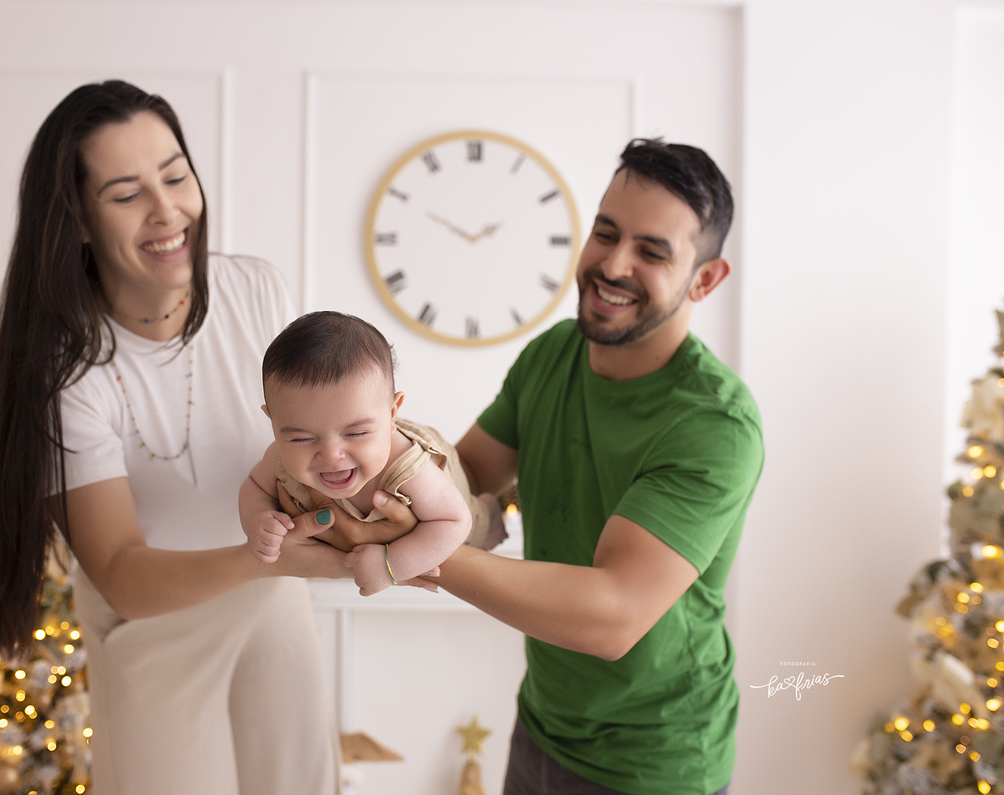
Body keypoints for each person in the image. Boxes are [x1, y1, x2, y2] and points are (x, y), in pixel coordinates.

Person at [324, 138, 763, 795]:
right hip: (543, 727)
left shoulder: (714, 425)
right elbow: (466, 476)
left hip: (658, 764)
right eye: (606, 234)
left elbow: (611, 615)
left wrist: (412, 551)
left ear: (705, 280)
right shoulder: (554, 353)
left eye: (651, 251)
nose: (613, 265)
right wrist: (356, 458)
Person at [0, 80, 346, 795]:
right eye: (126, 192)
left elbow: (316, 444)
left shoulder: (256, 292)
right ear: (77, 219)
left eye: (175, 176)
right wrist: (266, 558)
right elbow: (121, 572)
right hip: (154, 628)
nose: (168, 210)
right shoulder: (65, 371)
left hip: (272, 602)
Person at [242, 311, 487, 596]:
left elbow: (454, 521)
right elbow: (254, 485)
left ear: (392, 414)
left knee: (480, 522)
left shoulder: (409, 468)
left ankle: (492, 510)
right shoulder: (279, 457)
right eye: (302, 438)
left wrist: (389, 564)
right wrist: (258, 521)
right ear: (273, 422)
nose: (332, 455)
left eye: (356, 433)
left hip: (456, 510)